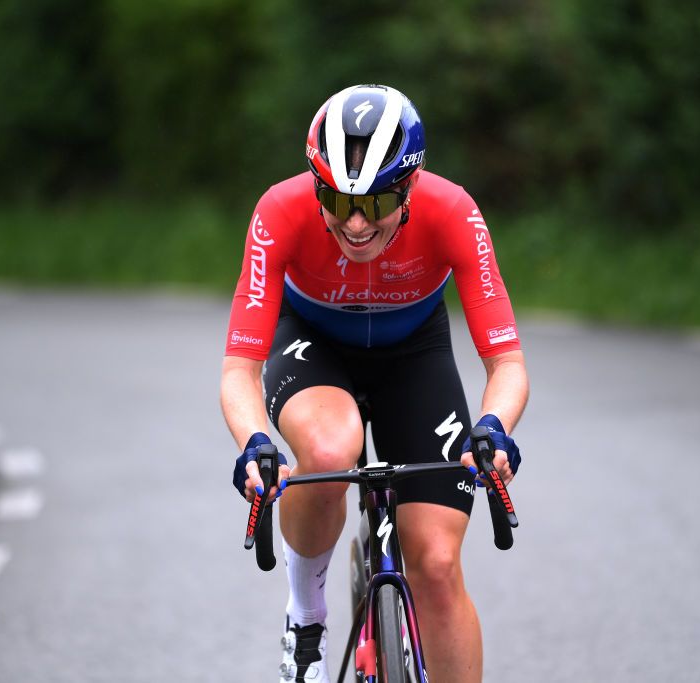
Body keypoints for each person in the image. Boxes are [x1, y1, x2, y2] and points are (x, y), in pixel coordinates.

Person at [221, 84, 528, 682]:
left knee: (436, 565)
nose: (355, 224)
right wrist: (255, 442)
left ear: (410, 187)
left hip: (414, 353)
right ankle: (307, 617)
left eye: (377, 201)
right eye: (336, 202)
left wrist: (494, 428)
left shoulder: (453, 210)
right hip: (314, 344)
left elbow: (507, 362)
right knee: (331, 449)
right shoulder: (279, 211)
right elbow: (239, 370)